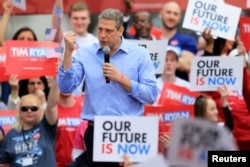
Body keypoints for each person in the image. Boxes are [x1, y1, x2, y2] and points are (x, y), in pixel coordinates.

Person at [58, 8, 158, 167]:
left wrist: (122, 79)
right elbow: (65, 87)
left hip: (129, 132)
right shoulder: (85, 54)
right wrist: (68, 54)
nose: (103, 35)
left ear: (121, 30)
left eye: (109, 31)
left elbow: (151, 95)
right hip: (96, 132)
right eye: (100, 29)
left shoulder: (140, 54)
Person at [202, 28, 250, 150]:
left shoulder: (240, 62)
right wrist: (209, 44)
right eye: (230, 36)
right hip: (228, 137)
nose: (233, 39)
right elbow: (204, 89)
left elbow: (247, 89)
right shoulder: (211, 65)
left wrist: (242, 60)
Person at [0, 77, 59, 166]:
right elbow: (4, 164)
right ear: (19, 112)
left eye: (33, 108)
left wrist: (56, 82)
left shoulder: (46, 128)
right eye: (24, 108)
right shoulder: (11, 134)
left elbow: (51, 107)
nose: (29, 111)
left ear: (40, 111)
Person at [159, 1, 197, 81]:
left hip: (176, 90)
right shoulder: (151, 39)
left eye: (175, 14)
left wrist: (156, 56)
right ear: (161, 14)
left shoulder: (187, 40)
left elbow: (188, 65)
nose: (171, 17)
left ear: (179, 18)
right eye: (168, 12)